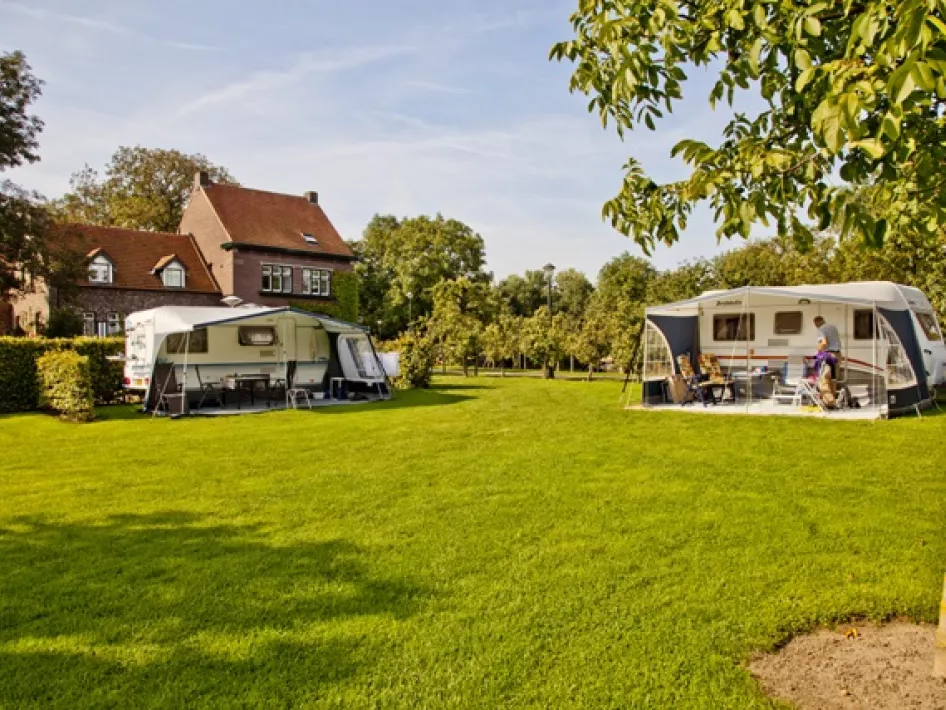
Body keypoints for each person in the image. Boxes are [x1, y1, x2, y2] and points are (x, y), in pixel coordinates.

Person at [813, 316, 842, 398]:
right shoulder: (833, 327)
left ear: (816, 323)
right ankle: (832, 402)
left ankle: (827, 401)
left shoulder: (821, 329)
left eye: (815, 324)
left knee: (825, 378)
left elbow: (824, 343)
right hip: (838, 355)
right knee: (833, 379)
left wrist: (818, 351)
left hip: (829, 356)